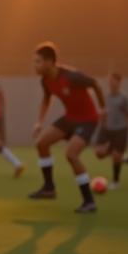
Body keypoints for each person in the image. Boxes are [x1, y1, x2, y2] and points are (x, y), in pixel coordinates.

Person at [29, 43, 104, 212]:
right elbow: (46, 100)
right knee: (41, 144)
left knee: (71, 154)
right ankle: (49, 188)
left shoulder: (72, 77)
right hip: (70, 118)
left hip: (88, 120)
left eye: (38, 62)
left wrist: (102, 108)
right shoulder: (45, 80)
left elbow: (95, 84)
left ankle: (89, 201)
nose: (35, 66)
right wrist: (39, 122)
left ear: (49, 62)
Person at [94, 73, 128, 189]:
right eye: (109, 81)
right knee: (99, 153)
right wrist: (99, 122)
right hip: (106, 129)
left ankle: (115, 182)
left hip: (120, 130)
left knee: (116, 157)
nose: (111, 83)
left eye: (113, 81)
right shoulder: (105, 97)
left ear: (119, 82)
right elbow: (102, 113)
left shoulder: (123, 98)